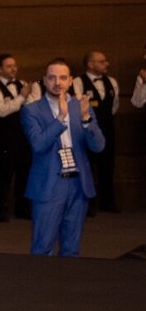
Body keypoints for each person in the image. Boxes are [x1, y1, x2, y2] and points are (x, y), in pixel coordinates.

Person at [23, 58, 105, 256]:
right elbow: (38, 144)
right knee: (42, 248)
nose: (57, 82)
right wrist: (60, 118)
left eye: (62, 78)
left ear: (70, 81)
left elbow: (99, 146)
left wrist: (86, 120)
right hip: (49, 185)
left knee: (71, 249)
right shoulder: (31, 110)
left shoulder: (82, 107)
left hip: (78, 185)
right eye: (52, 78)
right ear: (44, 80)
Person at [0, 53, 38, 221]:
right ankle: (1, 209)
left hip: (24, 136)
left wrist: (28, 96)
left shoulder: (22, 84)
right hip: (5, 138)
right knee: (4, 174)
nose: (13, 69)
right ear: (0, 69)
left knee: (25, 173)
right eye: (9, 66)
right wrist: (21, 97)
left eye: (14, 65)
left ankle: (22, 208)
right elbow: (1, 111)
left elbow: (33, 108)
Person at [74, 51, 120, 213]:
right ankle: (88, 204)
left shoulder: (112, 82)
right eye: (102, 61)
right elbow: (78, 106)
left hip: (107, 130)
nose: (106, 64)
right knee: (87, 167)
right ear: (90, 64)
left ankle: (107, 201)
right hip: (87, 130)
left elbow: (114, 106)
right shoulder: (78, 82)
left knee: (107, 166)